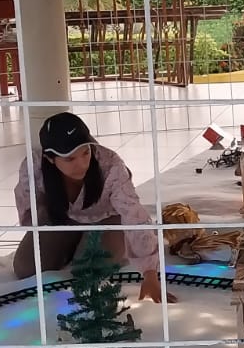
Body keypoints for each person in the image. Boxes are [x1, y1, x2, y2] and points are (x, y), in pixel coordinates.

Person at [13, 112, 177, 304]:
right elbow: (29, 209)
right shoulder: (34, 167)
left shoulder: (111, 165)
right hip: (61, 218)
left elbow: (134, 214)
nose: (82, 164)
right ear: (50, 158)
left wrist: (150, 273)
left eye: (86, 152)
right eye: (70, 159)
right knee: (26, 267)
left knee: (88, 271)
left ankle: (107, 244)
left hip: (107, 220)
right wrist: (43, 234)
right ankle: (74, 243)